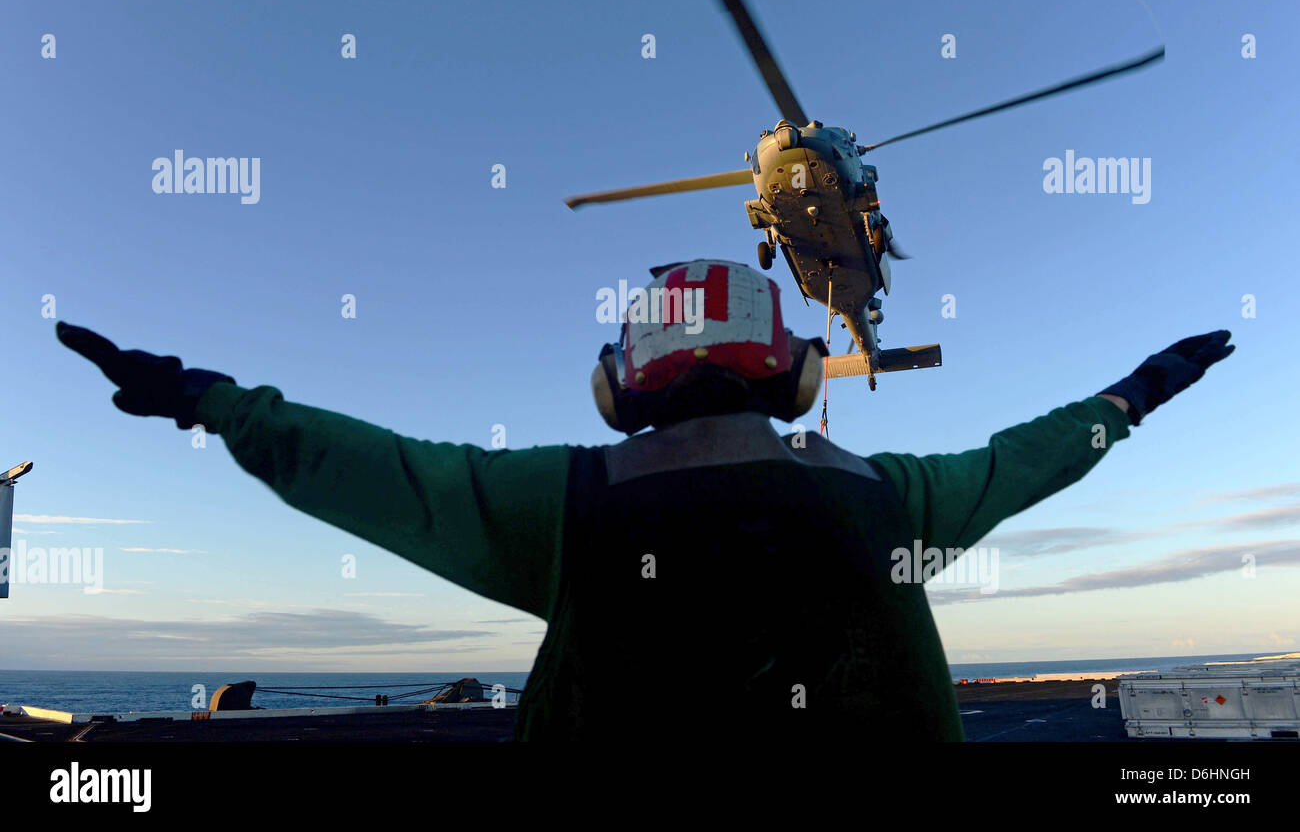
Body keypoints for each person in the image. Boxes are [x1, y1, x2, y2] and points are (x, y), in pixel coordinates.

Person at [56, 259, 1234, 741]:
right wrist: (1139, 390)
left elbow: (367, 466)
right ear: (794, 373)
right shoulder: (892, 495)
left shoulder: (560, 498)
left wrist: (206, 399)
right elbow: (1041, 452)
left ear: (621, 387)